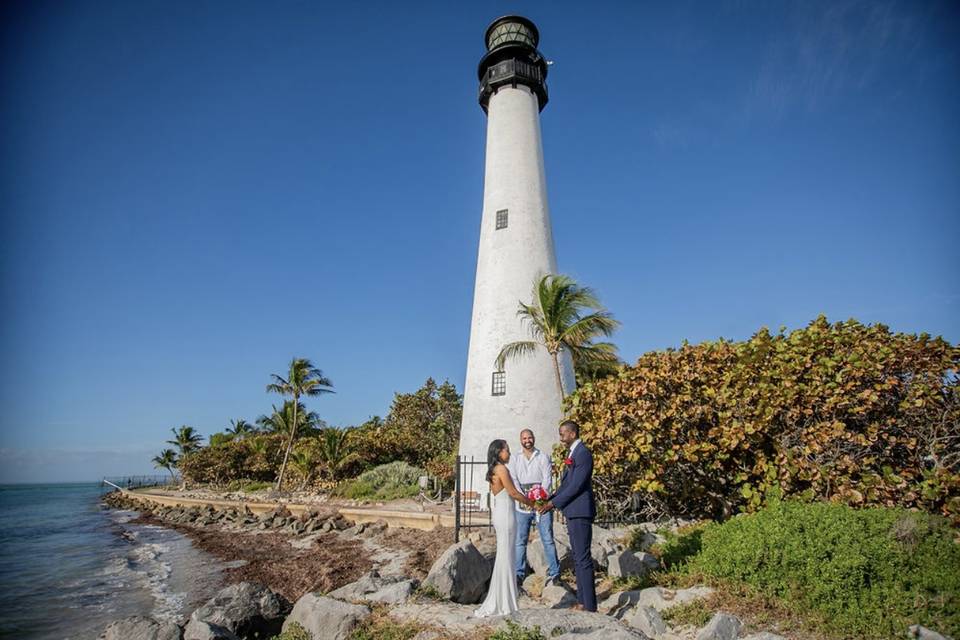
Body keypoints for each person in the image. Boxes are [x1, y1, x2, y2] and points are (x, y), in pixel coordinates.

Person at [538, 420, 597, 612]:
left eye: (563, 433)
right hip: (574, 511)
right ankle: (582, 601)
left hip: (580, 511)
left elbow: (576, 485)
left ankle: (589, 605)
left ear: (572, 433)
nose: (560, 437)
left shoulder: (583, 454)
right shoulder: (574, 453)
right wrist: (550, 497)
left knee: (582, 558)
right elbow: (566, 484)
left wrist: (553, 503)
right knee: (578, 558)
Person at [474, 439, 535, 618]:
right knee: (507, 556)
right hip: (506, 515)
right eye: (507, 450)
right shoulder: (501, 469)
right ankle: (505, 602)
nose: (509, 453)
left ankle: (504, 598)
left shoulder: (493, 470)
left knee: (504, 555)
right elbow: (513, 493)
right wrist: (532, 503)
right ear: (499, 452)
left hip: (500, 513)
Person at [508, 428, 562, 589]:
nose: (527, 440)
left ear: (534, 438)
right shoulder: (515, 459)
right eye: (524, 438)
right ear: (520, 440)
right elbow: (514, 479)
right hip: (522, 505)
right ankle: (519, 573)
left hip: (541, 503)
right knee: (520, 540)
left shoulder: (543, 457)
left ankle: (555, 572)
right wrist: (523, 498)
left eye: (530, 437)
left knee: (547, 538)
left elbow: (547, 479)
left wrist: (539, 499)